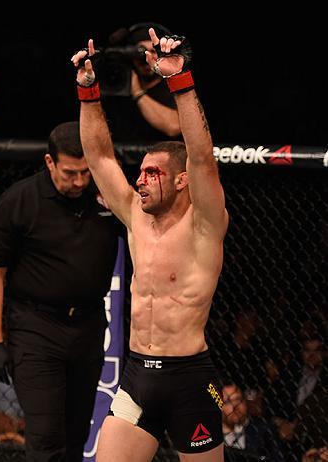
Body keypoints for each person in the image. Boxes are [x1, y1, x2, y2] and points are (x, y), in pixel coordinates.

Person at [71, 28, 228, 461]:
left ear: (181, 181)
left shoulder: (204, 224)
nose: (139, 180)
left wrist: (180, 81)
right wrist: (88, 90)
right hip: (137, 375)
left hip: (189, 380)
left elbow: (201, 158)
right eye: (139, 173)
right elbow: (100, 156)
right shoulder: (135, 217)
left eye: (152, 174)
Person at [0, 120, 121, 461]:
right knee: (45, 439)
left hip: (88, 325)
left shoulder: (107, 196)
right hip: (35, 328)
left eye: (86, 172)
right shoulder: (19, 201)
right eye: (70, 173)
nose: (79, 181)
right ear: (49, 162)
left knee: (77, 435)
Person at [100, 22, 181, 142]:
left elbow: (174, 127)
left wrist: (138, 92)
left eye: (153, 51)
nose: (147, 58)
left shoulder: (173, 86)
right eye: (141, 52)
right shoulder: (119, 86)